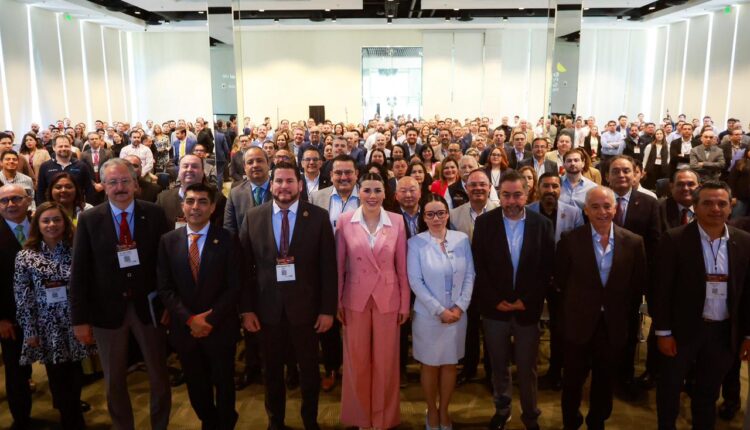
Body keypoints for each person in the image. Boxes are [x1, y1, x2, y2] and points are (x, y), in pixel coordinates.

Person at [70, 158, 171, 430]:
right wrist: (79, 319)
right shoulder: (89, 219)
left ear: (136, 184)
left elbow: (166, 265)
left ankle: (160, 425)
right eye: (113, 182)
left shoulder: (154, 214)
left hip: (149, 310)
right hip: (106, 312)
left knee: (159, 376)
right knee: (114, 380)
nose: (120, 187)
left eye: (125, 181)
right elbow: (79, 272)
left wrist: (168, 305)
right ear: (103, 186)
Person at [239, 162, 337, 430]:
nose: (284, 186)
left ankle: (310, 421)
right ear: (271, 185)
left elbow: (328, 268)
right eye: (279, 181)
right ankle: (276, 422)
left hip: (307, 312)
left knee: (309, 372)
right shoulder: (253, 217)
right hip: (266, 312)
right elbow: (243, 269)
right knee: (271, 373)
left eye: (290, 181)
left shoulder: (317, 217)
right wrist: (246, 310)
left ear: (300, 185)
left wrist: (327, 310)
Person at [654, 180, 750, 430]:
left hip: (723, 333)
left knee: (708, 394)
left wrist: (747, 334)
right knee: (669, 390)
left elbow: (748, 293)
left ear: (731, 207)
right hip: (682, 331)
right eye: (707, 203)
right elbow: (661, 290)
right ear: (695, 207)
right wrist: (663, 332)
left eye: (722, 203)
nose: (715, 209)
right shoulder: (674, 239)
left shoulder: (744, 242)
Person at [556, 186, 647, 430]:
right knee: (572, 380)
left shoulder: (634, 242)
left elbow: (637, 284)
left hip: (613, 325)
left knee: (605, 380)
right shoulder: (570, 240)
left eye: (607, 206)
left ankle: (597, 422)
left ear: (615, 209)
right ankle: (571, 422)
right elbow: (561, 281)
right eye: (595, 207)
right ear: (586, 210)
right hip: (578, 324)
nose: (602, 212)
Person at [472, 171, 554, 430]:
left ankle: (530, 415)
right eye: (506, 195)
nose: (511, 201)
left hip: (527, 309)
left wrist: (526, 301)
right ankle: (502, 409)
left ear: (528, 194)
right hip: (495, 310)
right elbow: (479, 267)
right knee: (498, 364)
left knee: (528, 367)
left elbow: (546, 269)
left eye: (517, 195)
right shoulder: (485, 223)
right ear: (499, 194)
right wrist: (495, 300)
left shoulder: (542, 224)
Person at [157, 183, 241, 430]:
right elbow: (165, 288)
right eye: (190, 201)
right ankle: (209, 421)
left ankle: (225, 423)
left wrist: (209, 320)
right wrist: (189, 319)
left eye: (203, 202)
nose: (196, 207)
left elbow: (235, 286)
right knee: (197, 387)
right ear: (182, 205)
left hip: (220, 327)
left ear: (213, 207)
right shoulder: (168, 241)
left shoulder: (228, 239)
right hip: (186, 330)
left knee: (224, 385)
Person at [335, 172, 410, 429]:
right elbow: (339, 266)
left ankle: (383, 419)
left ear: (385, 193)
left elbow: (402, 267)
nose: (372, 195)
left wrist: (404, 303)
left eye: (377, 190)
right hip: (354, 298)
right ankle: (360, 418)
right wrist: (337, 301)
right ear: (359, 192)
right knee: (356, 361)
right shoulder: (345, 221)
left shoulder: (397, 221)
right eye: (367, 190)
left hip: (387, 299)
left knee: (386, 362)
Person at [13, 201, 94, 430]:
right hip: (46, 325)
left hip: (75, 322)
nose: (52, 225)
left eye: (57, 219)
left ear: (65, 223)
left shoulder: (78, 249)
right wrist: (29, 329)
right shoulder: (25, 256)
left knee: (76, 374)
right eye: (46, 220)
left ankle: (73, 415)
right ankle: (71, 421)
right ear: (37, 224)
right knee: (57, 377)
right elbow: (22, 295)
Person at [407, 193, 475, 430]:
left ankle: (444, 410)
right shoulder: (415, 243)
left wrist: (460, 306)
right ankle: (432, 410)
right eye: (430, 214)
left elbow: (470, 275)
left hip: (457, 315)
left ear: (447, 214)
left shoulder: (461, 239)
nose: (436, 218)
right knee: (429, 364)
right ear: (424, 217)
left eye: (441, 213)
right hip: (428, 316)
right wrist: (439, 311)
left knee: (449, 364)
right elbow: (415, 282)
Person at [449, 169, 498, 386]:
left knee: (492, 329)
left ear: (489, 187)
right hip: (464, 282)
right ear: (466, 188)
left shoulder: (500, 211)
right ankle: (468, 368)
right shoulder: (454, 215)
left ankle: (492, 372)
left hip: (493, 282)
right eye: (473, 185)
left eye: (482, 184)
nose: (478, 188)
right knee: (468, 328)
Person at [0, 184, 33, 429]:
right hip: (11, 316)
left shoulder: (43, 224)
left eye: (16, 199)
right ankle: (21, 420)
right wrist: (0, 318)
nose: (10, 204)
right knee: (16, 371)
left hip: (48, 311)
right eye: (4, 201)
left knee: (59, 365)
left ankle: (67, 409)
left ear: (27, 200)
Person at [157, 154, 225, 230]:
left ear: (203, 172)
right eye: (185, 166)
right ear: (179, 172)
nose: (189, 169)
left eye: (194, 166)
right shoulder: (163, 199)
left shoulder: (217, 199)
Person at [36, 135, 95, 206]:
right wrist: (42, 208)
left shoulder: (81, 166)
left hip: (76, 207)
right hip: (53, 207)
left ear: (70, 147)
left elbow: (89, 189)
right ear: (54, 148)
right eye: (60, 146)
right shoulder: (45, 166)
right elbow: (40, 191)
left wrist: (89, 208)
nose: (63, 148)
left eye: (66, 146)